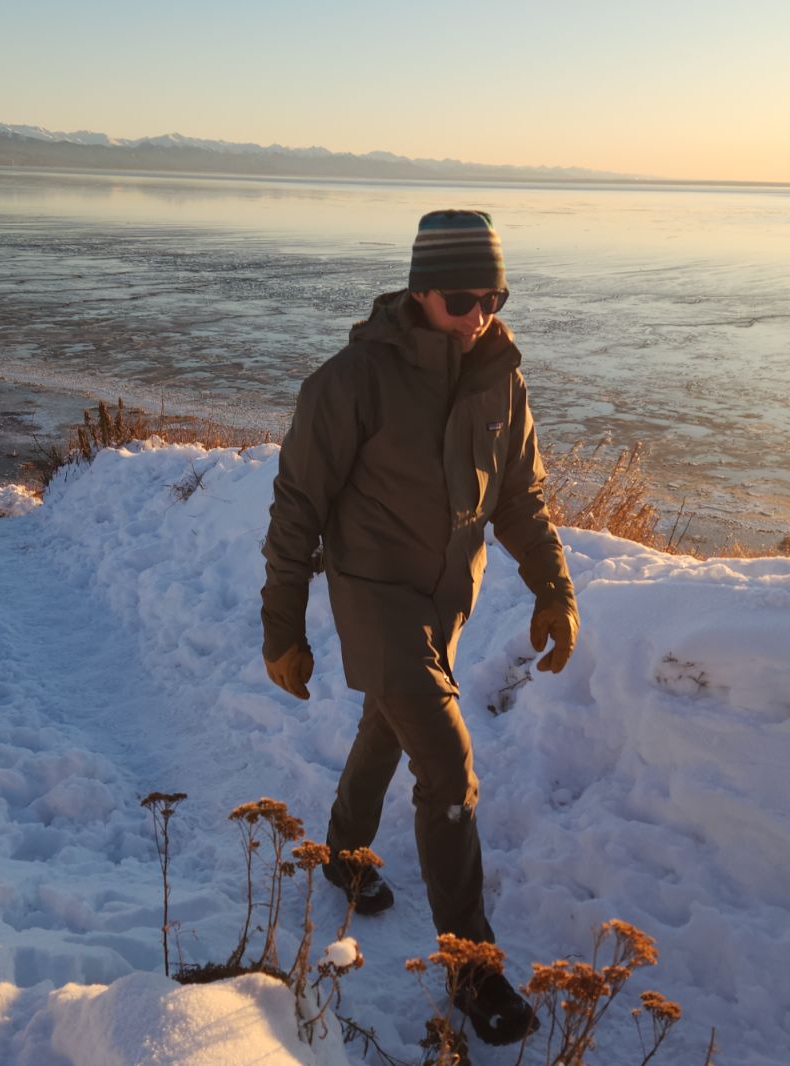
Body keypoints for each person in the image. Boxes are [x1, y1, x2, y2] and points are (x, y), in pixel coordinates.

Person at [260, 209, 578, 1046]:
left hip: (447, 599)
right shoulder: (351, 382)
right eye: (463, 299)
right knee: (447, 761)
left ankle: (343, 851)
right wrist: (281, 625)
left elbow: (520, 497)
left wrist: (553, 588)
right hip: (372, 595)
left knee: (389, 725)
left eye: (495, 295)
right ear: (420, 291)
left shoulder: (500, 376)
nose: (480, 314)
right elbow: (298, 507)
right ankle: (472, 967)